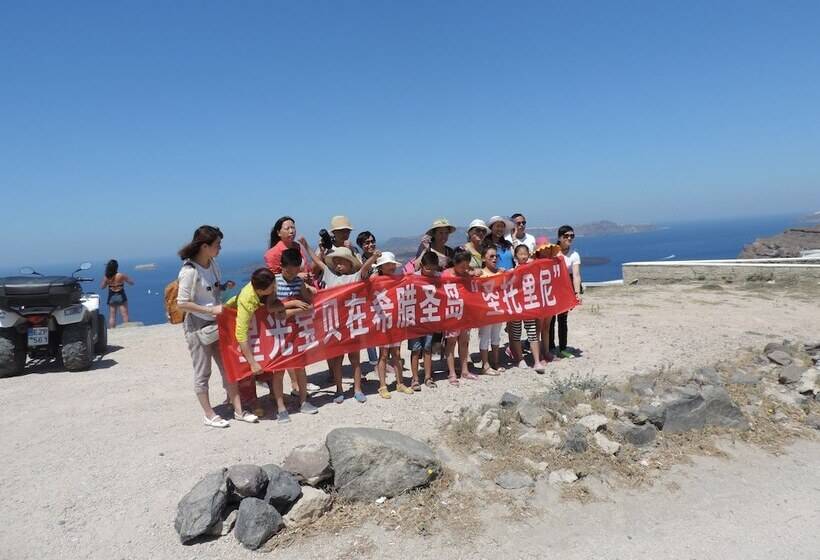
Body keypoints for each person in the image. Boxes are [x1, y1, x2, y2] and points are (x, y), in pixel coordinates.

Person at [176, 225, 257, 428]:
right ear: (205, 246)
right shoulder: (188, 271)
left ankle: (238, 410)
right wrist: (210, 310)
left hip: (217, 323)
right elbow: (182, 302)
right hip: (197, 326)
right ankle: (209, 414)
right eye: (217, 244)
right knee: (203, 371)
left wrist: (223, 287)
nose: (219, 248)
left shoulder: (212, 264)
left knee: (228, 367)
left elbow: (211, 289)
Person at [300, 236, 377, 403]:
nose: (338, 264)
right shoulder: (330, 275)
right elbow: (318, 262)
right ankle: (339, 390)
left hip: (352, 322)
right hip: (334, 323)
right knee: (337, 358)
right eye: (336, 261)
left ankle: (357, 389)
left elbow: (364, 269)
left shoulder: (355, 276)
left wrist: (372, 258)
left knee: (355, 358)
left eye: (341, 261)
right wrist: (306, 247)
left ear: (350, 263)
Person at [226, 268, 304, 424]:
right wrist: (253, 363)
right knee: (247, 367)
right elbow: (240, 335)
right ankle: (252, 401)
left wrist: (293, 303)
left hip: (259, 324)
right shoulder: (247, 299)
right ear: (260, 290)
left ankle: (273, 394)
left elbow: (271, 306)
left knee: (268, 357)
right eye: (271, 288)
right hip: (237, 322)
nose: (274, 289)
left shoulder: (269, 285)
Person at [262, 216, 318, 396]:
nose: (291, 231)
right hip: (284, 301)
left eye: (293, 227)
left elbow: (304, 268)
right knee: (286, 344)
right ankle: (294, 384)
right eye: (287, 228)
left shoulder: (297, 247)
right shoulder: (272, 253)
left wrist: (306, 280)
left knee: (298, 341)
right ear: (278, 232)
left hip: (300, 294)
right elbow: (274, 279)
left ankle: (300, 381)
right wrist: (297, 278)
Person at [275, 248, 320, 417]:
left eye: (296, 270)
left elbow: (308, 301)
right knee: (279, 370)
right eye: (289, 270)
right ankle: (280, 407)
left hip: (296, 330)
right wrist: (293, 305)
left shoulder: (297, 282)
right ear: (282, 267)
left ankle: (303, 401)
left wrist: (308, 292)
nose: (293, 274)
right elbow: (271, 309)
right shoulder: (275, 282)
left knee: (300, 367)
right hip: (277, 332)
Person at [373, 252, 415, 398]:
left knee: (397, 353)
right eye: (387, 264)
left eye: (392, 264)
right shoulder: (375, 280)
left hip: (396, 321)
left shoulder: (398, 280)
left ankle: (400, 383)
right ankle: (382, 385)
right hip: (382, 322)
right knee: (383, 354)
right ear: (381, 267)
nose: (391, 267)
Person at [508, 244, 546, 373]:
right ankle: (520, 359)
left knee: (532, 332)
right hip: (517, 307)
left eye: (525, 253)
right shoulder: (513, 270)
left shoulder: (533, 268)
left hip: (529, 305)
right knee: (516, 333)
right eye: (520, 254)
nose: (523, 256)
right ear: (516, 256)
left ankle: (536, 361)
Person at [442, 248, 476, 385]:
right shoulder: (445, 275)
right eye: (462, 266)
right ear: (454, 263)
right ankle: (451, 373)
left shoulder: (467, 274)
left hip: (465, 313)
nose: (464, 268)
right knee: (451, 343)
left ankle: (465, 370)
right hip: (450, 313)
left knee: (464, 342)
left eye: (466, 265)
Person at [408, 251, 441, 389]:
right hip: (414, 321)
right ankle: (415, 379)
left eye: (434, 269)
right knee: (416, 350)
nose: (431, 272)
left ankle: (428, 377)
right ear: (421, 265)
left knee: (428, 349)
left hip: (429, 318)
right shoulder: (412, 278)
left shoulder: (438, 278)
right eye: (428, 268)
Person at [550, 225, 582, 359]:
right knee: (550, 319)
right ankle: (550, 348)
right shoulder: (552, 251)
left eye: (571, 236)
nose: (569, 238)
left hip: (565, 289)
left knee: (563, 319)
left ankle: (563, 348)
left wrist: (576, 293)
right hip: (551, 288)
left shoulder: (574, 254)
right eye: (566, 236)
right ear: (560, 237)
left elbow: (576, 275)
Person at [477, 241, 504, 375]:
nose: (494, 259)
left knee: (496, 336)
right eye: (491, 256)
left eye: (496, 256)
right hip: (485, 312)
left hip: (498, 310)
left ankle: (496, 362)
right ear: (483, 258)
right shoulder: (480, 274)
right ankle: (485, 364)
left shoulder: (500, 272)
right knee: (485, 337)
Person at [356, 230, 379, 365]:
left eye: (372, 241)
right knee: (371, 331)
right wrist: (373, 258)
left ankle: (384, 359)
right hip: (368, 300)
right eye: (367, 243)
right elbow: (363, 272)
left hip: (383, 298)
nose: (370, 245)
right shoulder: (361, 260)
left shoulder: (381, 257)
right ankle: (374, 361)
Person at [100, 259, 134, 328]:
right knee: (124, 314)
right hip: (121, 295)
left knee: (112, 316)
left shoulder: (106, 277)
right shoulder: (120, 275)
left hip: (111, 296)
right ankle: (127, 329)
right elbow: (131, 282)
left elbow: (102, 287)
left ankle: (112, 330)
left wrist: (107, 282)